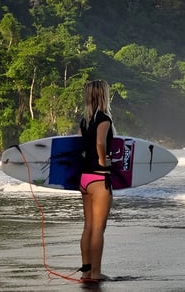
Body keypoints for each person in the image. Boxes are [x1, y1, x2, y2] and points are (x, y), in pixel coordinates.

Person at [78, 80, 114, 282]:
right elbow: (100, 142)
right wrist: (103, 161)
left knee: (88, 227)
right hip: (100, 178)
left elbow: (81, 145)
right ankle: (96, 273)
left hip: (84, 179)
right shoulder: (104, 118)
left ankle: (85, 272)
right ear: (103, 95)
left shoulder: (85, 121)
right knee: (99, 228)